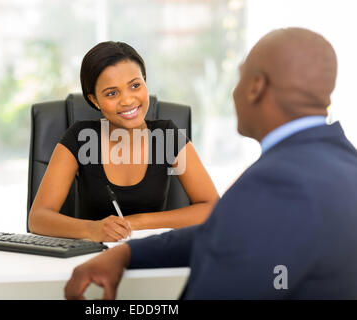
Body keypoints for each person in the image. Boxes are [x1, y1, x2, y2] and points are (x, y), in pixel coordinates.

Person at [64, 28, 357, 299]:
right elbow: (223, 231)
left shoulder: (273, 182)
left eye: (240, 77)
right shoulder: (343, 161)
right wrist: (128, 253)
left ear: (255, 87)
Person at [28, 41, 219, 242]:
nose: (127, 100)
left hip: (152, 253)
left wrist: (134, 222)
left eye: (135, 85)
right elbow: (38, 218)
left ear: (145, 82)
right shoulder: (80, 138)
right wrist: (92, 229)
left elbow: (211, 207)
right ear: (94, 100)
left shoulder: (167, 136)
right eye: (112, 93)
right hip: (92, 259)